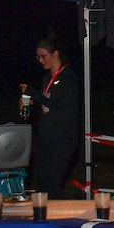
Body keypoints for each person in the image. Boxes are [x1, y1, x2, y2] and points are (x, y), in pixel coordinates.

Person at [21, 38, 80, 197]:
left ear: (55, 54)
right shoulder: (47, 79)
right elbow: (46, 106)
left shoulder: (68, 78)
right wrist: (30, 105)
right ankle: (45, 217)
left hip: (62, 139)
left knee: (52, 184)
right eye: (38, 57)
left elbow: (59, 105)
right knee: (42, 183)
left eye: (43, 56)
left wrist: (33, 93)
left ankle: (62, 217)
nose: (40, 60)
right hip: (46, 138)